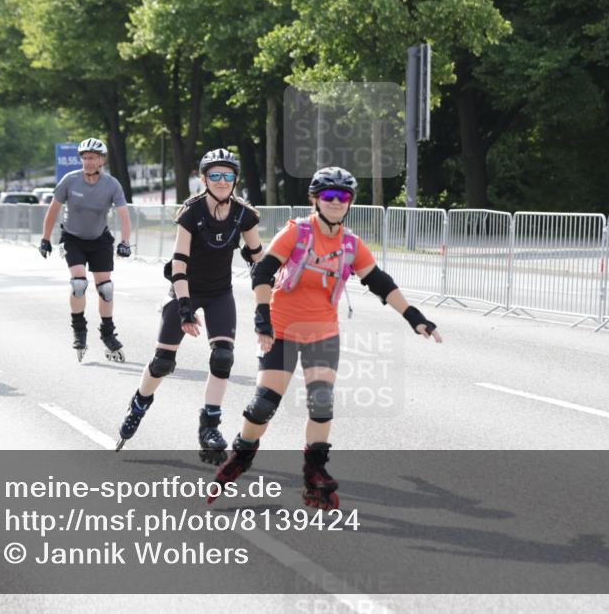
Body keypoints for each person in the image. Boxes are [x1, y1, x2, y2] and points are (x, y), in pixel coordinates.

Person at [207, 167, 443, 509]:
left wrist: (414, 317)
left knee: (321, 401)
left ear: (350, 203)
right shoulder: (297, 233)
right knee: (263, 405)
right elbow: (263, 270)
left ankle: (314, 474)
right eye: (329, 196)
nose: (336, 202)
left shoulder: (350, 244)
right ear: (315, 199)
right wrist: (261, 316)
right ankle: (241, 455)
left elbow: (380, 282)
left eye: (343, 197)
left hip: (323, 332)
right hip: (283, 330)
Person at [116, 149, 264, 464]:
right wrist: (184, 306)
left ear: (235, 179)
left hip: (220, 293)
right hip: (187, 290)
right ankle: (140, 402)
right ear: (203, 178)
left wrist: (267, 275)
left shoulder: (244, 215)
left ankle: (209, 426)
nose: (222, 181)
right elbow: (179, 262)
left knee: (223, 357)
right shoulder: (191, 213)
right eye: (215, 175)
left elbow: (258, 256)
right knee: (163, 363)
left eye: (227, 175)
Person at [39, 137, 133, 362]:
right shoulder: (69, 181)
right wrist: (45, 239)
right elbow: (53, 210)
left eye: (92, 158)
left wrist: (125, 242)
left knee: (106, 288)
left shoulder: (112, 184)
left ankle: (108, 334)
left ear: (102, 160)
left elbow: (124, 215)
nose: (88, 161)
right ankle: (79, 330)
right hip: (73, 238)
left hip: (100, 238)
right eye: (85, 157)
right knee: (79, 283)